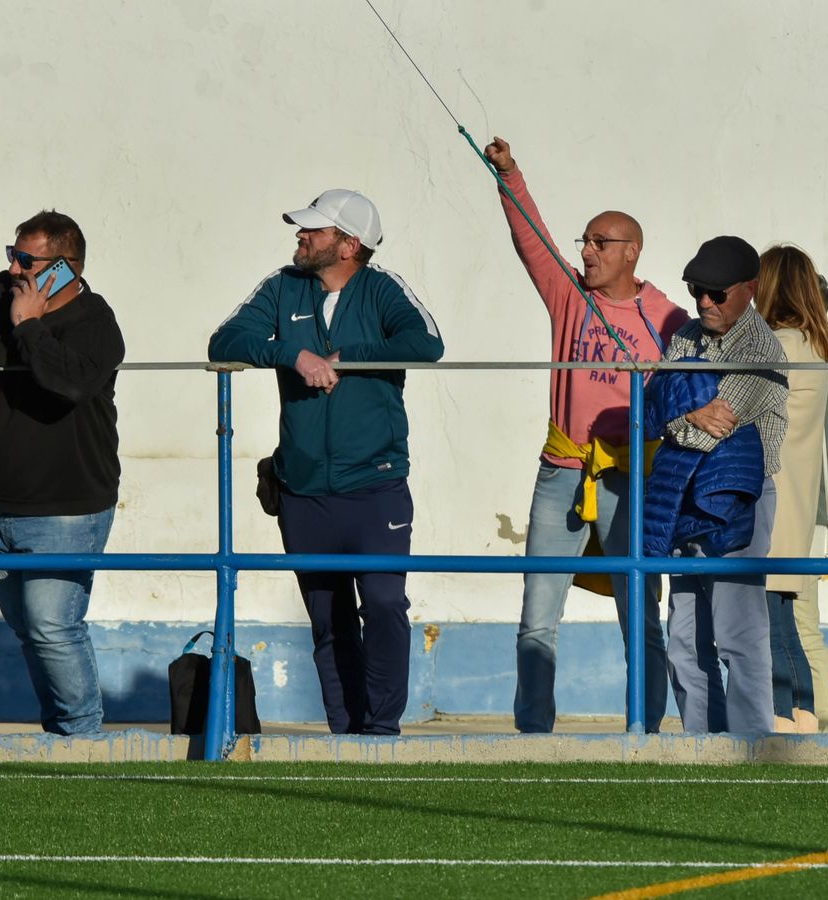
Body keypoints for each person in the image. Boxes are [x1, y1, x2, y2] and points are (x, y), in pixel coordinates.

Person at [208, 189, 443, 735]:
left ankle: (381, 731)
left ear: (348, 244)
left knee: (384, 604)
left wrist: (346, 358)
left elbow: (428, 344)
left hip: (376, 484)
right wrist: (293, 354)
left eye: (313, 229)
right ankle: (346, 732)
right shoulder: (282, 285)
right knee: (328, 619)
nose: (300, 235)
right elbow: (226, 340)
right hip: (303, 488)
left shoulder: (383, 288)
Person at [483, 136, 690, 733]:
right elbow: (531, 238)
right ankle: (533, 732)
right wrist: (509, 174)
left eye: (601, 243)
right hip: (562, 470)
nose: (588, 251)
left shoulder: (667, 319)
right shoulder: (570, 296)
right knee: (538, 614)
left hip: (631, 477)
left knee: (639, 614)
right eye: (586, 241)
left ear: (632, 253)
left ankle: (644, 730)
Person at [0, 210, 123, 735]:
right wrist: (7, 300)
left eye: (24, 260)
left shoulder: (96, 322)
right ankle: (58, 732)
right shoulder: (4, 296)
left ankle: (83, 739)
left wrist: (30, 327)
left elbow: (68, 385)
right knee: (28, 630)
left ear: (64, 267)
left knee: (53, 627)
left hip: (67, 507)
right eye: (10, 255)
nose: (14, 269)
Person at [652, 235, 789, 734]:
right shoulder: (687, 335)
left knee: (738, 633)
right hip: (682, 494)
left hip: (739, 500)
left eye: (715, 293)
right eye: (696, 291)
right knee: (683, 638)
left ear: (749, 290)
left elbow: (715, 429)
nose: (704, 302)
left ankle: (752, 747)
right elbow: (653, 405)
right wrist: (683, 411)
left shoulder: (761, 348)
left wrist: (676, 411)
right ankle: (702, 746)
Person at [755, 245, 828, 734]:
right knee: (786, 619)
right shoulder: (813, 345)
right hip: (798, 503)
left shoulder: (777, 346)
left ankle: (786, 716)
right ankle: (802, 713)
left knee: (772, 622)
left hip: (772, 502)